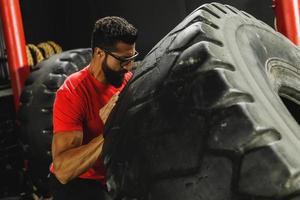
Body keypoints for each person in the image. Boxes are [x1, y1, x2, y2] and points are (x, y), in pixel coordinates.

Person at [50, 16, 138, 200]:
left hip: (114, 173)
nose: (129, 66)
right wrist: (109, 129)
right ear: (99, 53)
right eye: (123, 60)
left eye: (132, 58)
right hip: (80, 182)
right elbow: (63, 171)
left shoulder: (127, 79)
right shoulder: (72, 92)